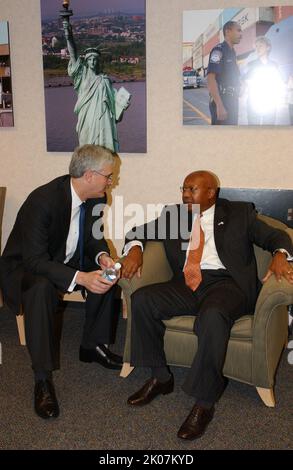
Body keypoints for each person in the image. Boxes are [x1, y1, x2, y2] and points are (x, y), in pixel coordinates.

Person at [121, 171, 293, 441]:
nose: (185, 194)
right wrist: (134, 249)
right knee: (142, 300)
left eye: (192, 189)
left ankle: (204, 402)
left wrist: (281, 256)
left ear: (212, 192)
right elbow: (137, 232)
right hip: (187, 284)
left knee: (212, 316)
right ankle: (160, 377)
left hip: (227, 285)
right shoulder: (174, 216)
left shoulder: (239, 214)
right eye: (184, 188)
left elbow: (277, 237)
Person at [0, 144, 123, 420]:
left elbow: (92, 238)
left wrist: (103, 256)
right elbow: (34, 261)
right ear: (89, 175)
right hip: (25, 268)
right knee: (41, 287)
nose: (111, 181)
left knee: (107, 274)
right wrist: (80, 278)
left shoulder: (96, 197)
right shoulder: (42, 201)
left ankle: (92, 345)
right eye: (108, 175)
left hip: (64, 258)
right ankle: (42, 380)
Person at [62, 18, 130, 152]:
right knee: (86, 151)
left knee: (104, 152)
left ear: (97, 62)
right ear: (86, 62)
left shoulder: (105, 80)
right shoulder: (81, 77)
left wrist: (122, 106)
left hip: (103, 120)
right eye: (90, 60)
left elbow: (113, 108)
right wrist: (68, 35)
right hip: (87, 117)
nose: (92, 62)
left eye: (95, 60)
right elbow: (73, 54)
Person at [207, 21, 242, 125]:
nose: (241, 34)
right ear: (228, 31)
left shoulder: (232, 52)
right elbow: (210, 79)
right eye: (238, 30)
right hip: (222, 100)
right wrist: (219, 105)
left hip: (233, 100)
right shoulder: (218, 50)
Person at [244, 36, 283, 125]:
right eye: (256, 46)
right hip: (253, 102)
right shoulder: (251, 65)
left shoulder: (274, 65)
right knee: (254, 131)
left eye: (260, 46)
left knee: (268, 130)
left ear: (268, 47)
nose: (257, 48)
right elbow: (245, 81)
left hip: (270, 102)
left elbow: (279, 83)